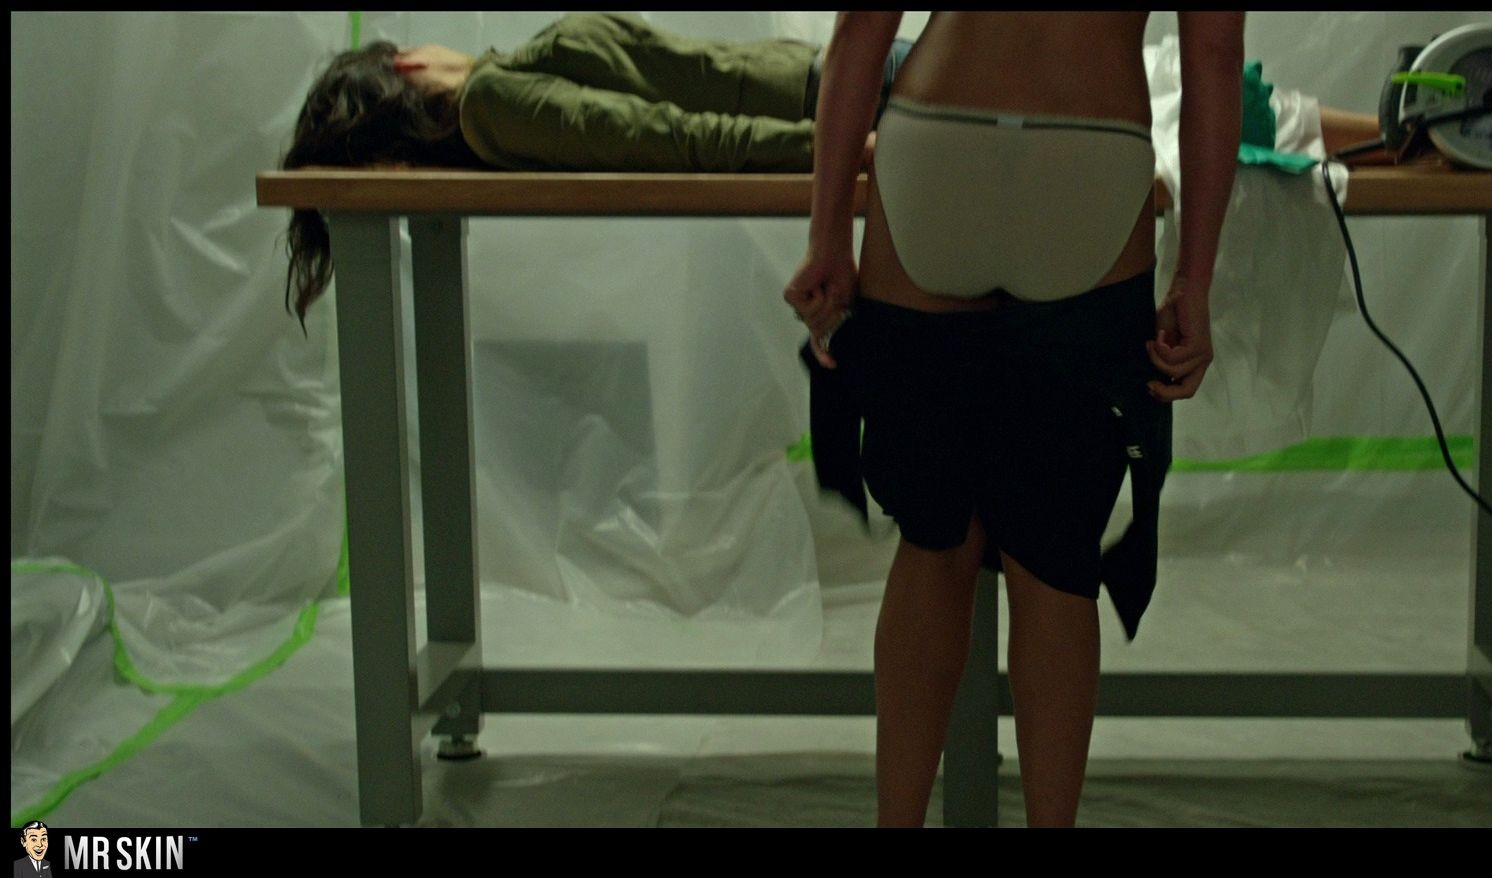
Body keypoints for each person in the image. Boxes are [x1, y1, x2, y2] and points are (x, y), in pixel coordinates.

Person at [784, 12, 1243, 827]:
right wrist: (1194, 279)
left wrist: (826, 237)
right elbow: (1212, 54)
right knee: (1055, 559)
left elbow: (860, 29)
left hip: (938, 139)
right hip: (1089, 151)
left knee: (932, 541)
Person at [278, 11, 912, 327]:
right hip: (865, 94)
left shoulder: (501, 95)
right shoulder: (492, 103)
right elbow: (674, 138)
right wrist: (847, 149)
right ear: (409, 66)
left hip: (856, 87)